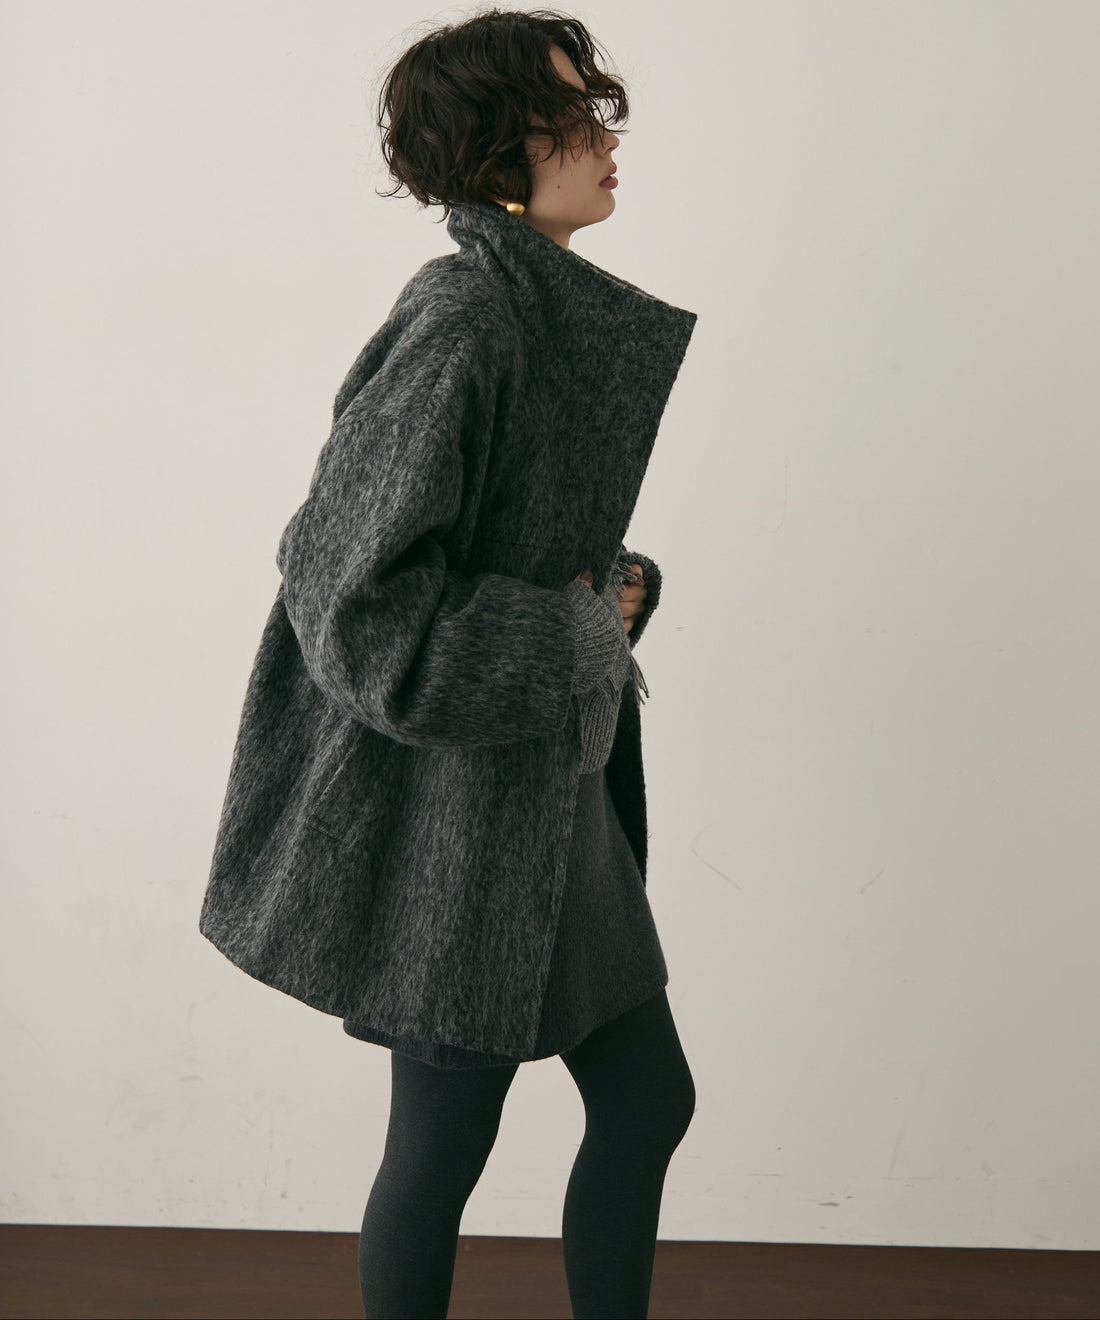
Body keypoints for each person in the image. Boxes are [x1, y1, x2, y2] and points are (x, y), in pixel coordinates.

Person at [198, 8, 699, 1318]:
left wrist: (617, 588)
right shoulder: (466, 315)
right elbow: (351, 597)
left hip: (547, 798)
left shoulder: (531, 307)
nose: (605, 138)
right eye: (571, 117)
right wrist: (578, 633)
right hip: (459, 824)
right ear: (493, 153)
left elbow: (499, 539)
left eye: (600, 109)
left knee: (648, 1103)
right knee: (439, 1154)